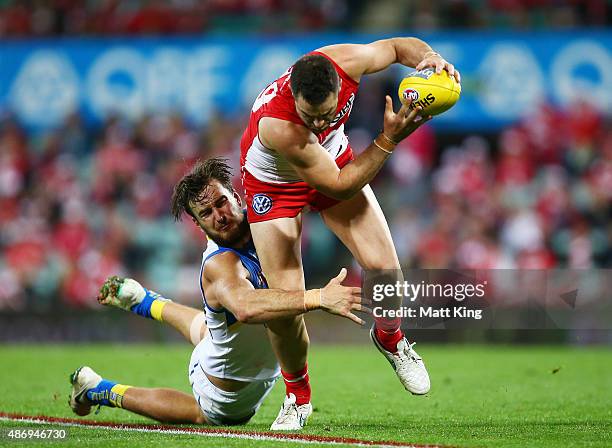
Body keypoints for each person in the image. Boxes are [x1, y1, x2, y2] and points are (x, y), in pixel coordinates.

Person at [69, 158, 366, 429]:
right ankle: (99, 389)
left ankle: (143, 300)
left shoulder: (265, 219)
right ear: (198, 225)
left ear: (236, 197)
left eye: (221, 203)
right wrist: (319, 298)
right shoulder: (220, 264)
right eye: (206, 214)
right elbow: (246, 307)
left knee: (211, 330)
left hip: (221, 344)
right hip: (225, 386)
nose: (219, 216)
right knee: (205, 416)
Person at [240, 38, 460, 403]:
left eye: (326, 113)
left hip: (333, 161)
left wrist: (430, 58)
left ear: (340, 86)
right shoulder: (281, 126)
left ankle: (390, 338)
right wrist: (389, 139)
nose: (320, 121)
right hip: (275, 188)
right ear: (293, 94)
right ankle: (298, 396)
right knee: (287, 308)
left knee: (387, 273)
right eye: (311, 116)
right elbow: (339, 188)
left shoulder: (346, 60)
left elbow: (395, 47)